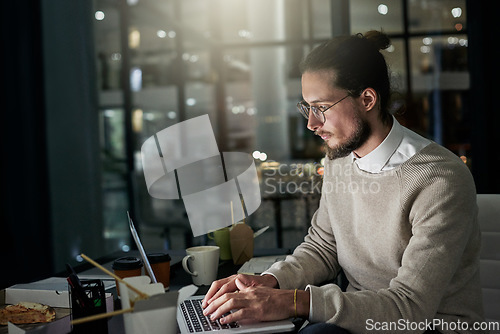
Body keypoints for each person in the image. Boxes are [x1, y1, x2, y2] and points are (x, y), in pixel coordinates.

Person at [201, 31, 484, 334]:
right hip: (358, 320)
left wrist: (292, 301)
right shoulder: (339, 160)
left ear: (367, 99)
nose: (311, 123)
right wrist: (270, 280)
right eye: (307, 107)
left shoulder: (439, 180)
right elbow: (323, 246)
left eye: (321, 107)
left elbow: (410, 308)